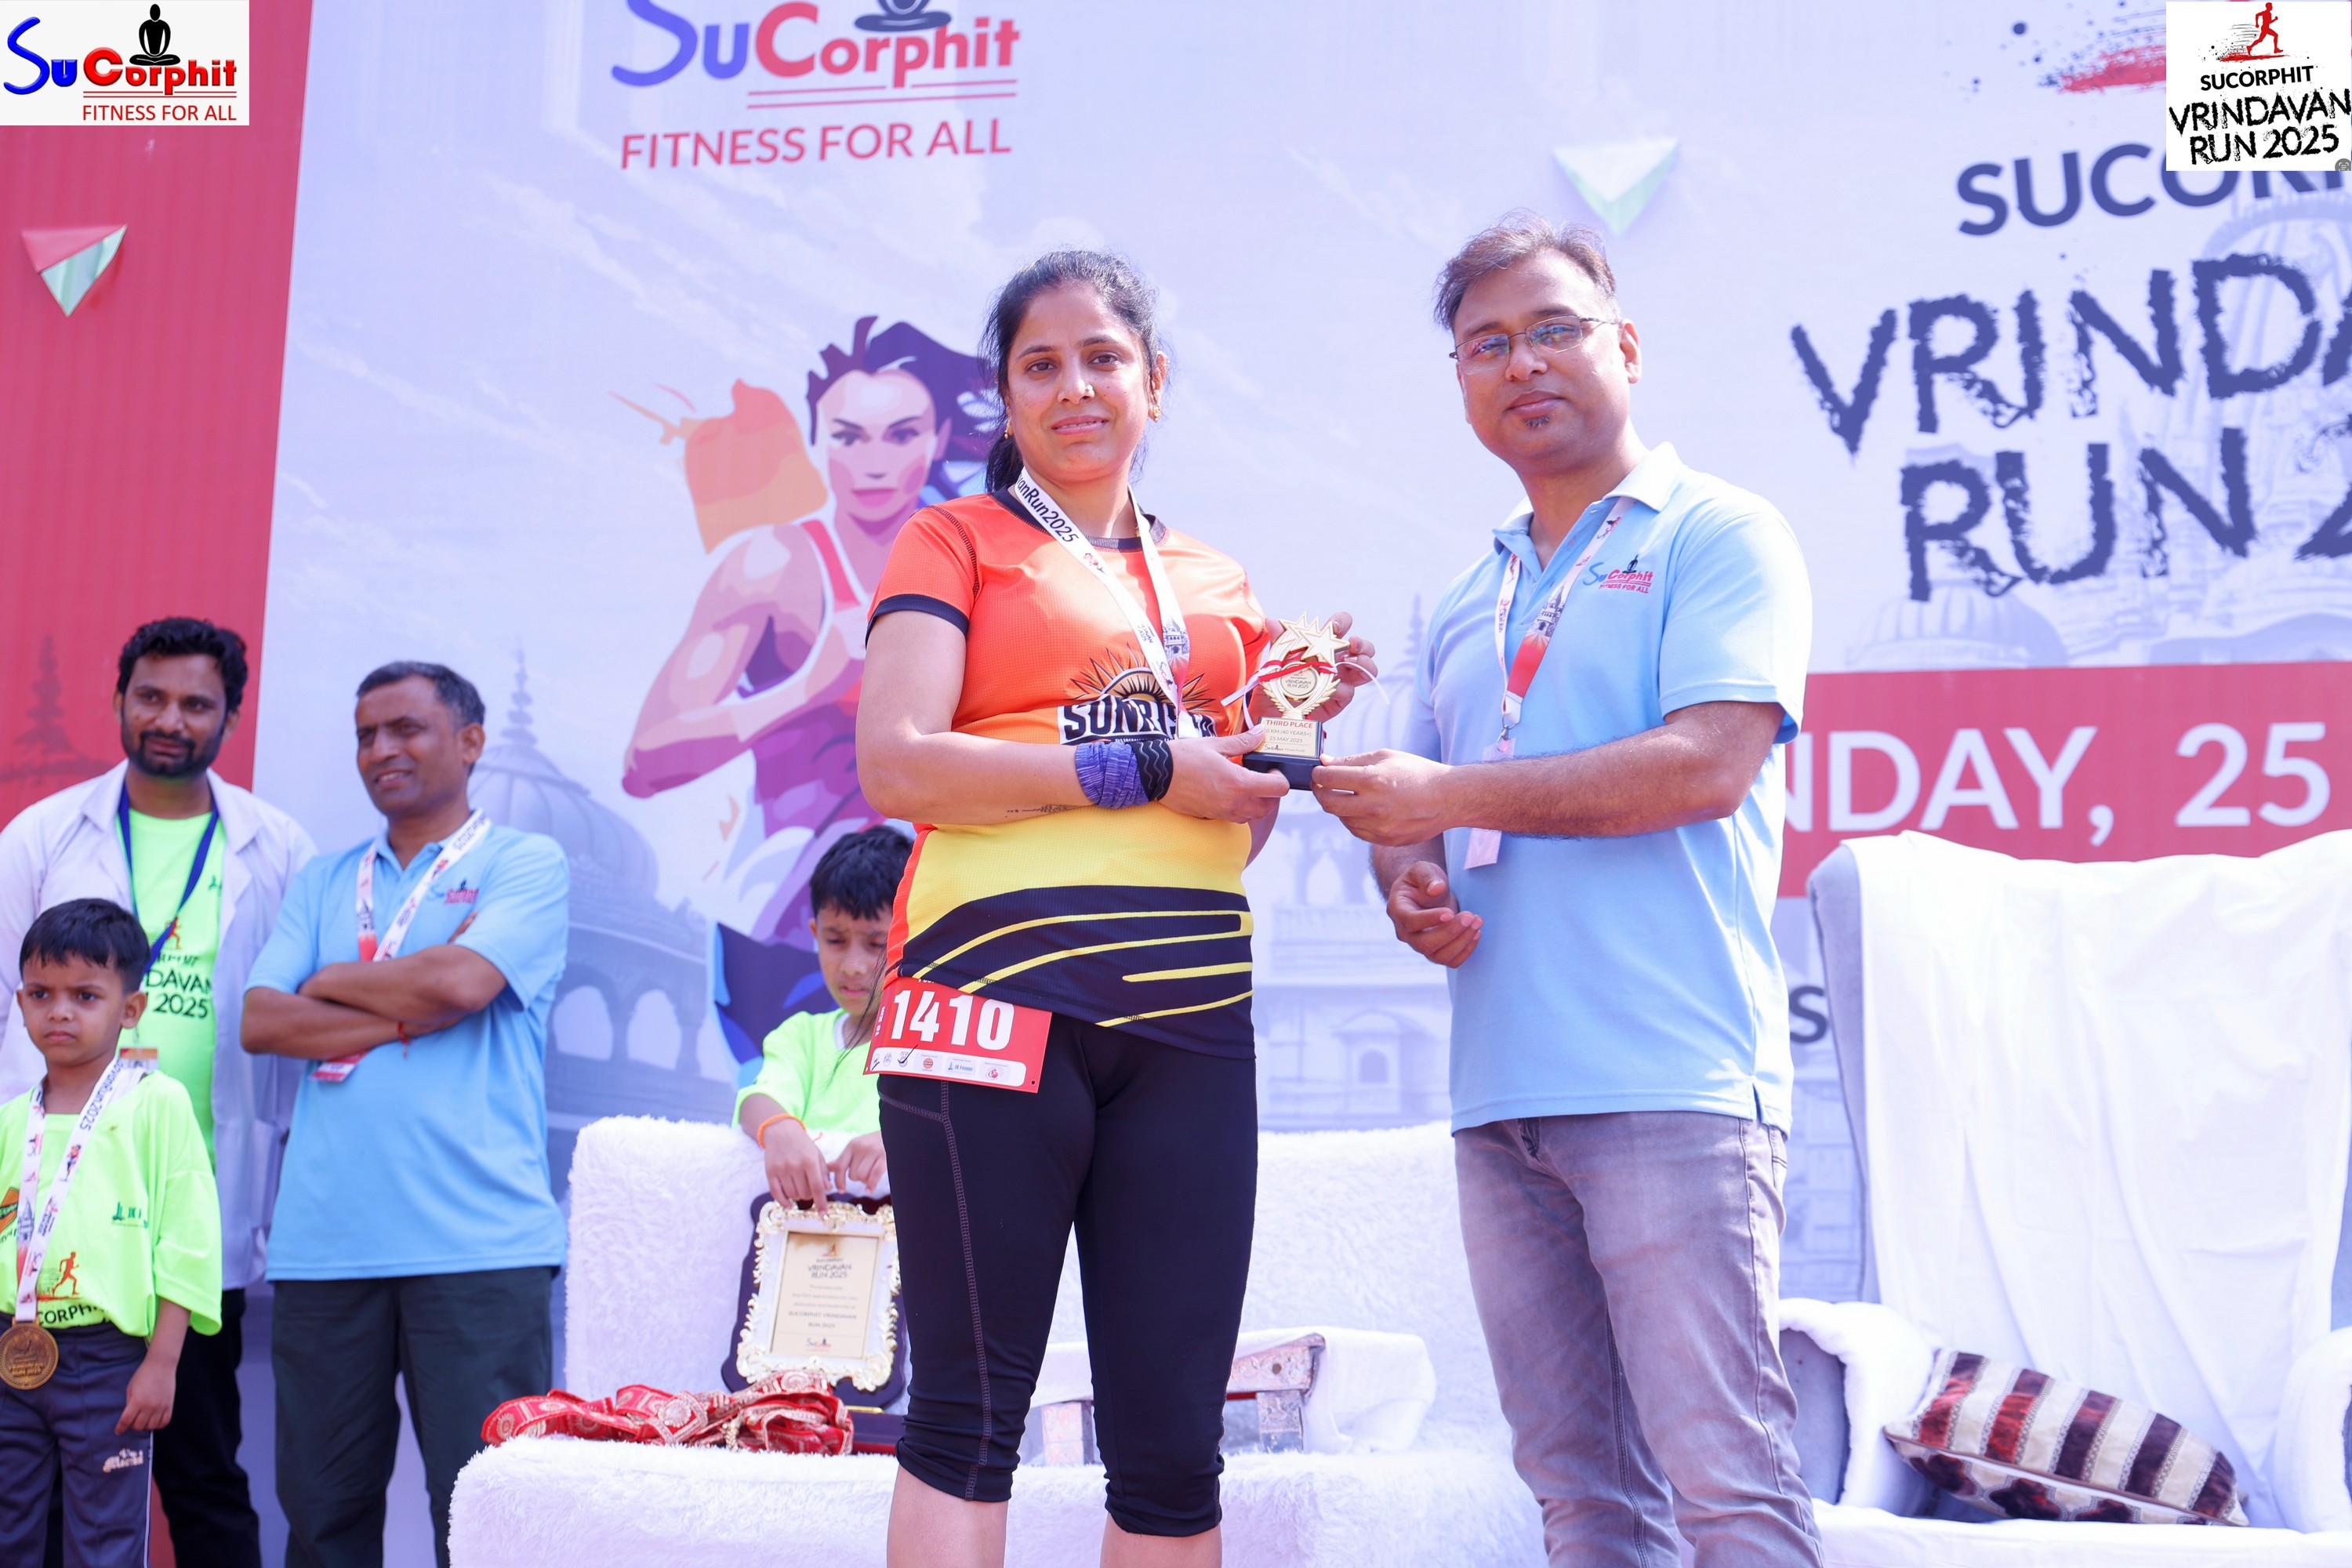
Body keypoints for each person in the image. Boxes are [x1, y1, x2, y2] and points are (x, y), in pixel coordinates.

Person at [1313, 213, 1820, 1567]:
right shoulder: (1470, 590)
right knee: (1579, 1499)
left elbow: (1709, 763)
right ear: (1461, 382)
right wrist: (1409, 876)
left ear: (1626, 347)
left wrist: (1444, 796)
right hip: (1501, 1100)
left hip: (1672, 1078)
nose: (1522, 363)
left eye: (1554, 330)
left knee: (1728, 1484)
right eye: (1486, 345)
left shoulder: (1721, 532)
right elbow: (1418, 807)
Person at [858, 249, 1373, 1568]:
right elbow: (897, 764)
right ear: (1006, 397)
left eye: (1103, 358)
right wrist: (1136, 763)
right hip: (988, 1001)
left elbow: (1234, 819)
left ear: (1156, 381)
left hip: (1189, 1021)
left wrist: (1277, 729)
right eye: (1041, 364)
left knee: (1174, 1442)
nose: (1075, 386)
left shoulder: (1217, 583)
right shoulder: (955, 541)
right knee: (968, 1418)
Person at [241, 662, 571, 1568]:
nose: (381, 749)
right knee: (322, 1522)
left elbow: (464, 982)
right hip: (325, 1246)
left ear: (471, 741)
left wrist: (331, 979)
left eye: (406, 728)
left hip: (479, 1248)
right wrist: (405, 1009)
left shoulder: (524, 862)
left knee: (488, 1521)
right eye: (366, 734)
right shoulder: (324, 879)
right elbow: (264, 1019)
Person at [0, 616, 311, 1568]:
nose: (170, 718)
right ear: (120, 699)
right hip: (53, 1234)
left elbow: (294, 1009)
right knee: (31, 1495)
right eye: (152, 696)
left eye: (195, 703)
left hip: (190, 1224)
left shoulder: (277, 845)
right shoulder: (45, 833)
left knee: (202, 1472)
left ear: (230, 717)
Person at [625, 319, 993, 1060]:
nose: (873, 462)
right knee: (783, 1127)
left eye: (900, 435)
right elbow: (648, 757)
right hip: (790, 930)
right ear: (818, 438)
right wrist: (809, 686)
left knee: (928, 1130)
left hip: (944, 919)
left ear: (937, 437)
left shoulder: (981, 568)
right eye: (850, 437)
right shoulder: (774, 568)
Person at [0, 899, 222, 1568]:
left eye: (85, 995)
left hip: (108, 1361)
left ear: (131, 1009)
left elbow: (187, 1243)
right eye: (41, 994)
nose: (60, 1012)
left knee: (106, 1543)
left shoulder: (158, 1103)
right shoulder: (11, 1120)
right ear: (20, 1002)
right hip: (12, 1349)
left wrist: (162, 1362)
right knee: (9, 1534)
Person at [735, 824, 913, 1205]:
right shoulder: (802, 1036)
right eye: (835, 940)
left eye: (876, 943)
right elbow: (757, 1099)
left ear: (915, 939)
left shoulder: (938, 1042)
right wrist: (779, 1129)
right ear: (815, 934)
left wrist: (903, 1141)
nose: (853, 966)